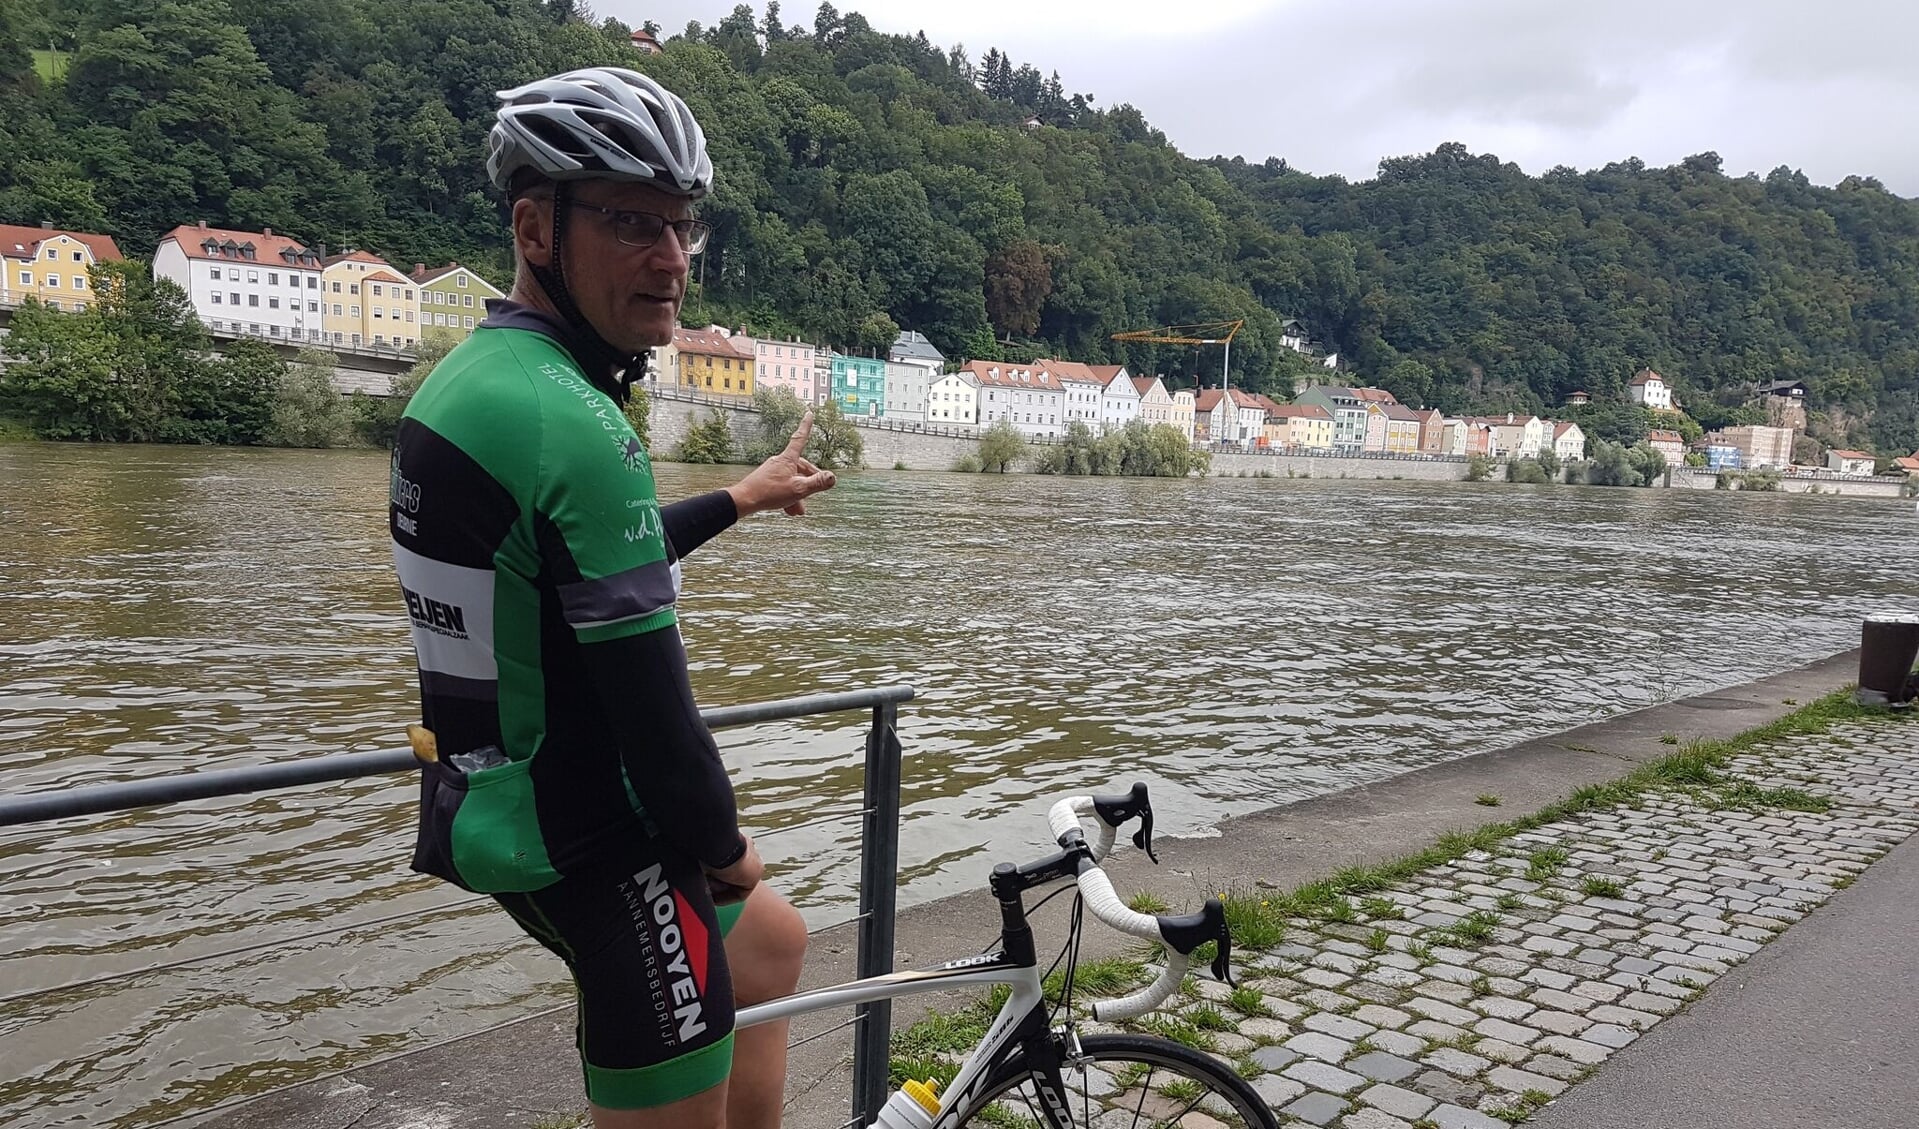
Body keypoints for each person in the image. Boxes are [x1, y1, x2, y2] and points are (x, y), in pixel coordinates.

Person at [387, 66, 832, 1129]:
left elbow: (568, 568)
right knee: (733, 935)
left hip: (487, 796)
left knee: (772, 942)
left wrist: (740, 495)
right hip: (588, 836)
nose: (671, 258)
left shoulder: (477, 382)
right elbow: (660, 728)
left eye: (682, 227)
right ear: (536, 228)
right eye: (634, 222)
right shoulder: (578, 425)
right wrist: (726, 847)